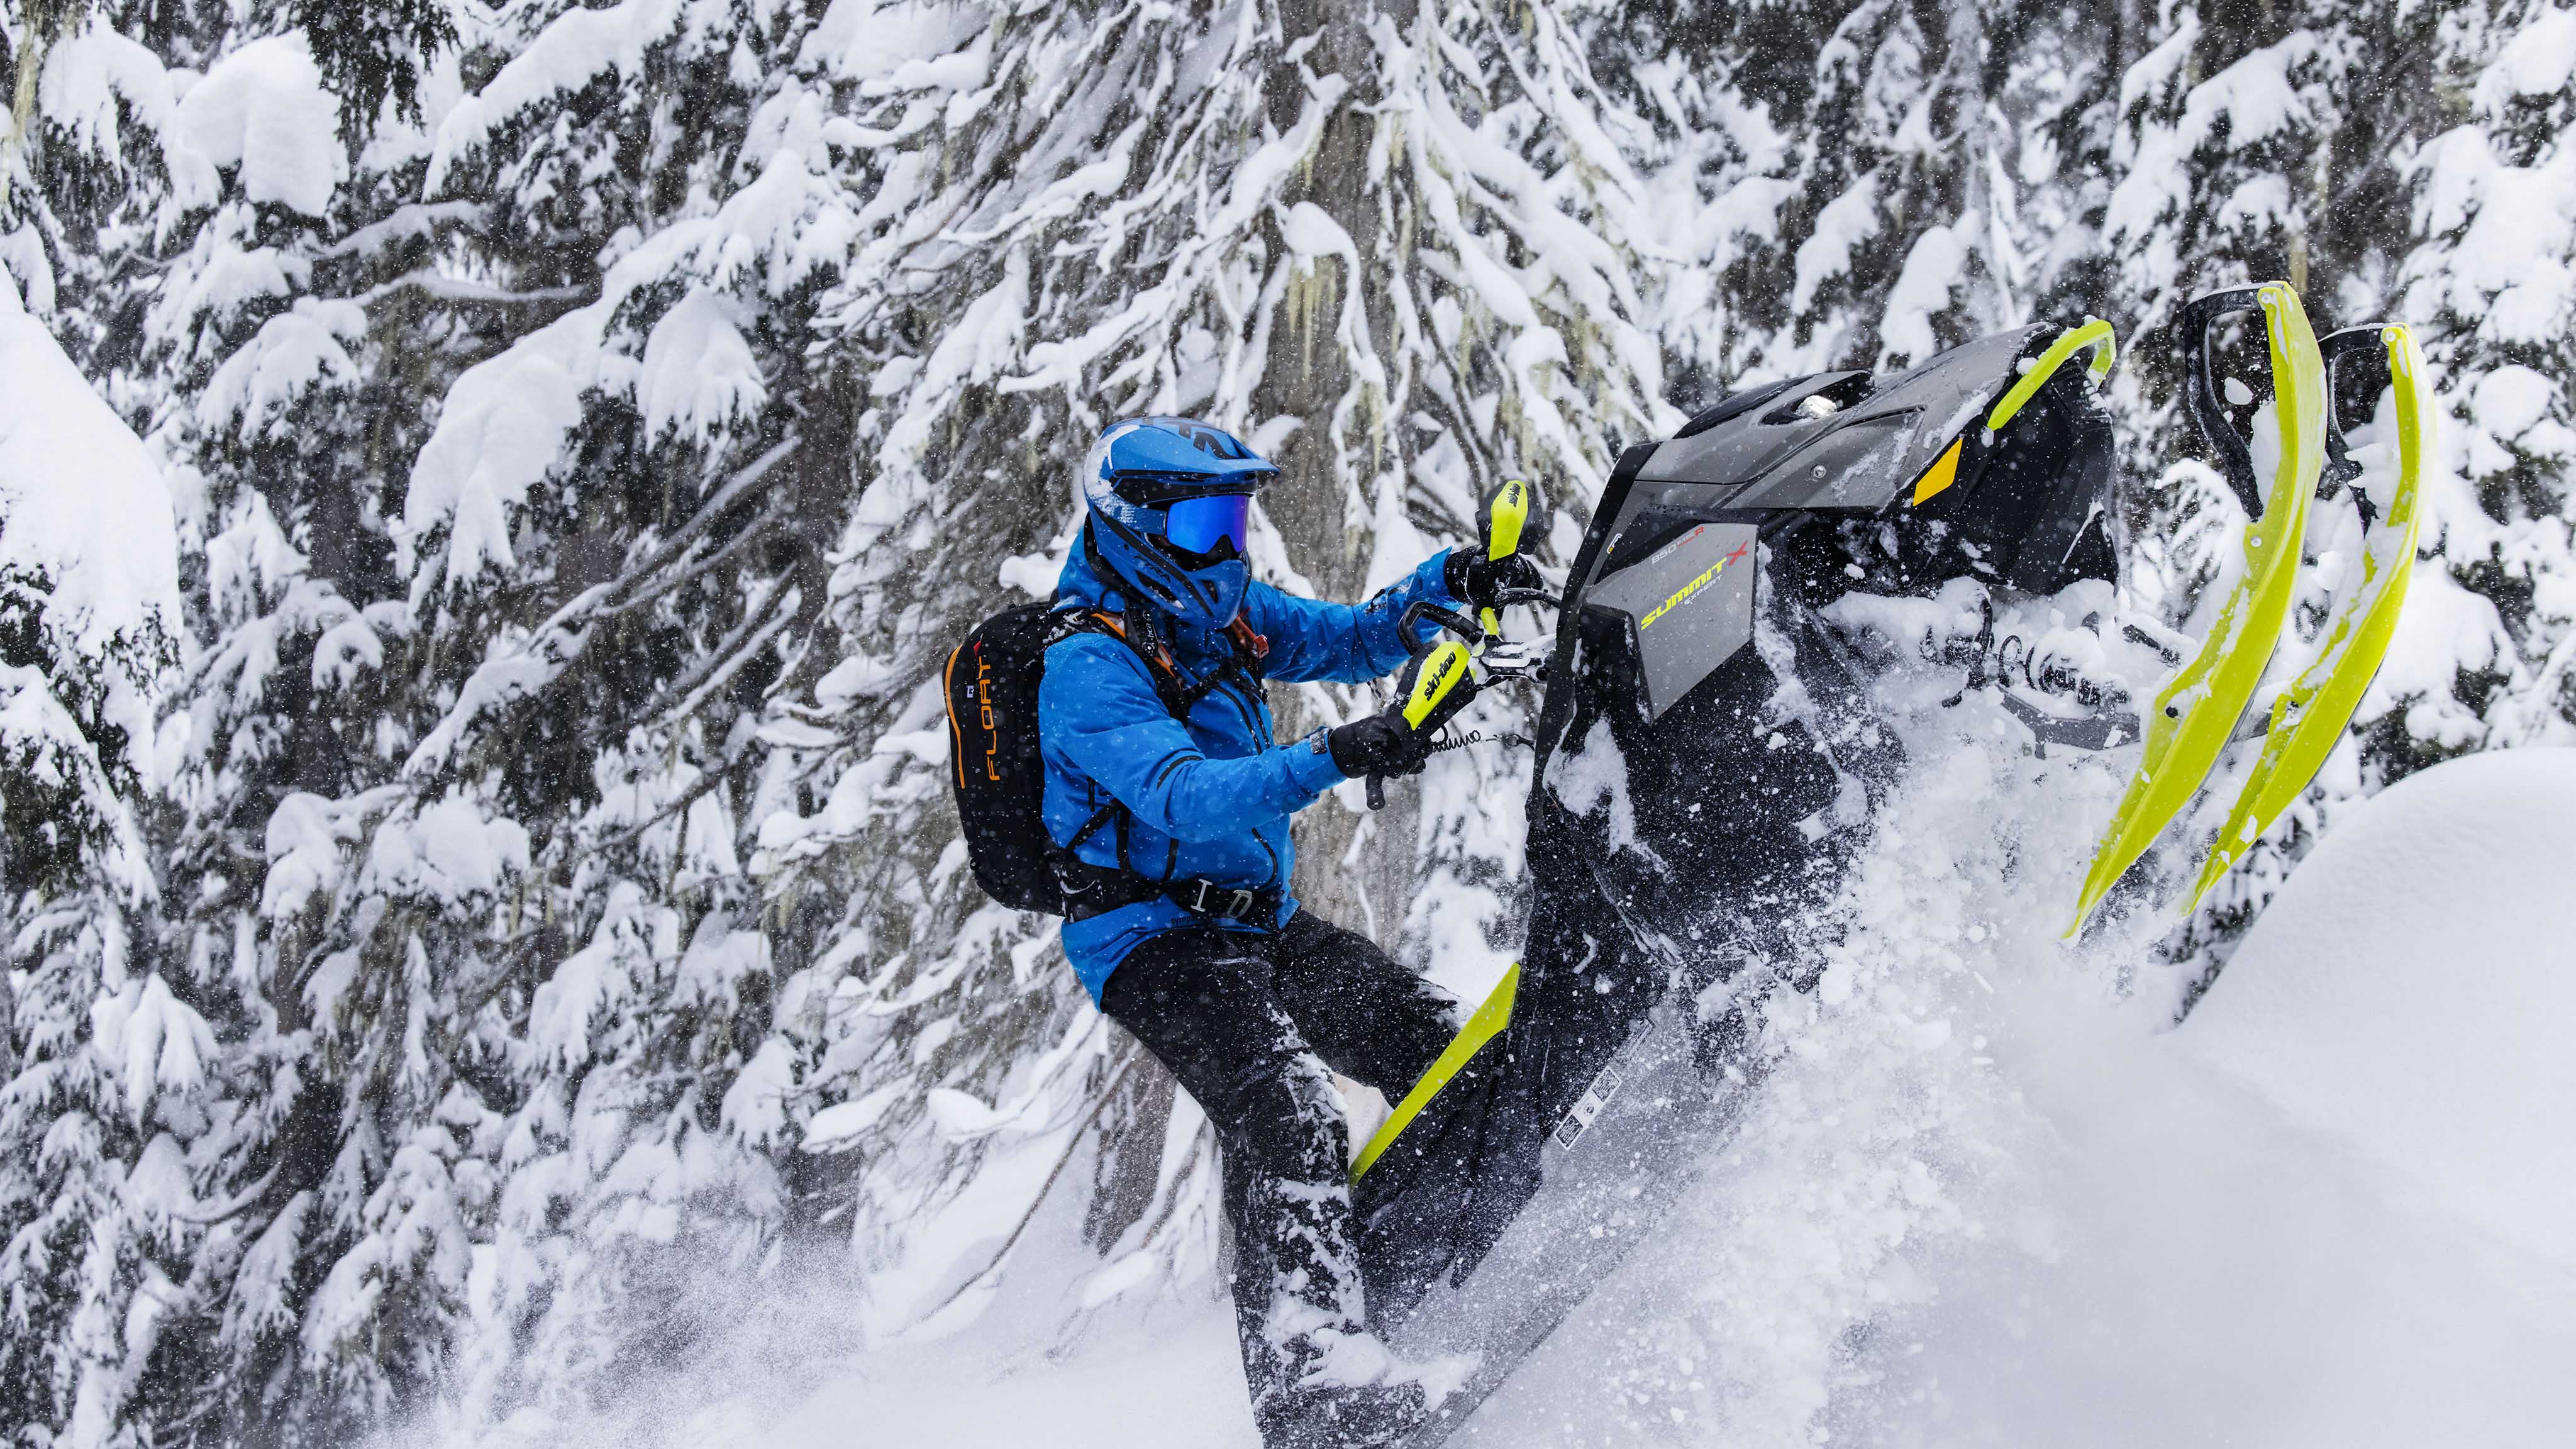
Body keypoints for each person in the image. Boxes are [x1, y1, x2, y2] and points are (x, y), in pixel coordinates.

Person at [1038, 417, 1540, 1447]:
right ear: (1136, 527)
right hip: (1149, 941)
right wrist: (1336, 755)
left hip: (1254, 922)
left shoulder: (1221, 613)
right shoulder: (1087, 664)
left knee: (1439, 1049)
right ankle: (1315, 1390)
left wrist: (1449, 585)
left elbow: (1350, 634)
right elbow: (1183, 798)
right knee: (1291, 1115)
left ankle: (1452, 1254)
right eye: (1206, 521)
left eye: (1238, 517)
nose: (1231, 545)